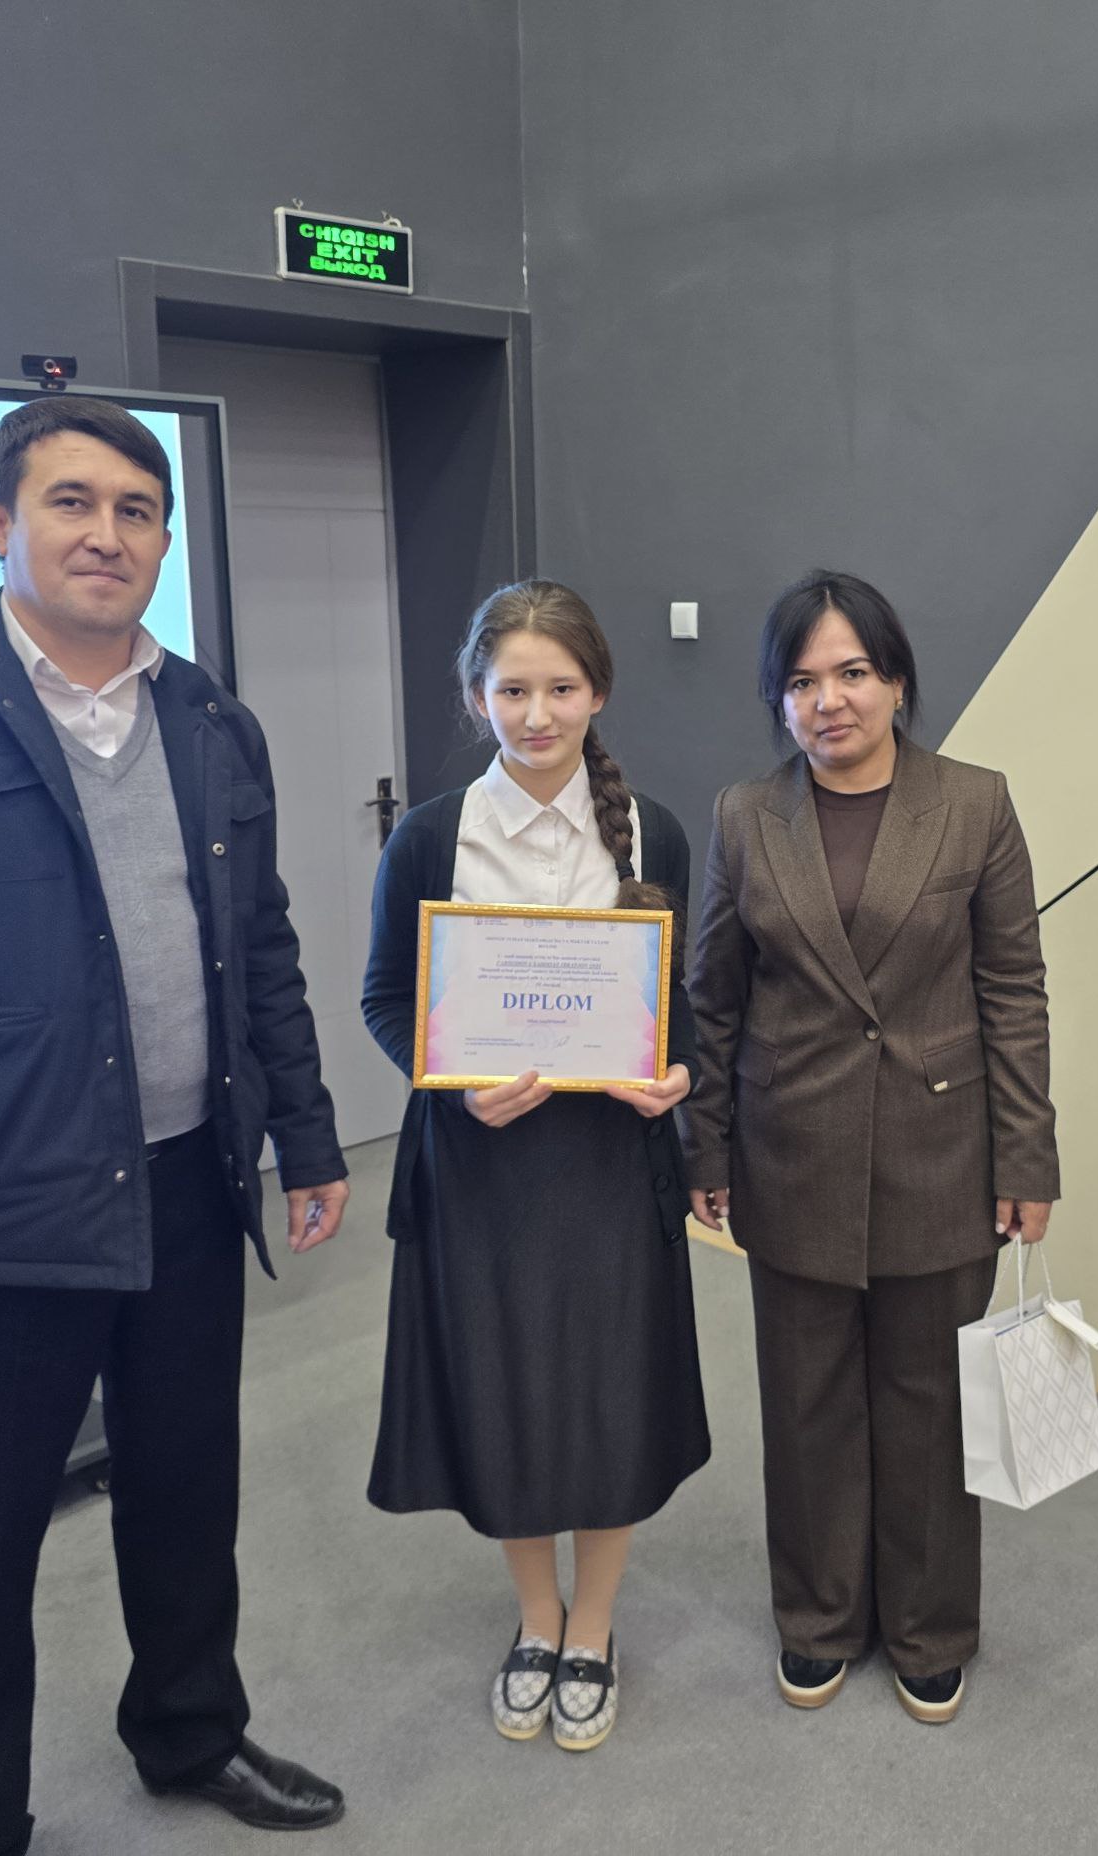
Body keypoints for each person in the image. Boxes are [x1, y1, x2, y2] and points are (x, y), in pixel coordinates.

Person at [0, 395, 352, 1853]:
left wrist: (306, 1134)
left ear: (164, 539)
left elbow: (261, 948)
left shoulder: (208, 718)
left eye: (136, 511)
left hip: (185, 1186)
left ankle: (189, 1732)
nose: (108, 535)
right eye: (71, 503)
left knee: (185, 1496)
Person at [682, 570, 1058, 1726]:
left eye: (851, 673)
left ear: (895, 681)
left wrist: (1026, 1156)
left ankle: (931, 1627)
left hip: (941, 1150)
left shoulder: (975, 803)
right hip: (789, 1146)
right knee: (805, 1406)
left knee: (928, 1403)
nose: (828, 701)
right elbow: (712, 998)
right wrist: (706, 1149)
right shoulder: (746, 816)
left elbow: (1013, 989)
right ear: (778, 700)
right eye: (801, 682)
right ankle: (818, 1618)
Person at [359, 580, 708, 1753]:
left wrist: (675, 1076)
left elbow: (675, 1007)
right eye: (512, 690)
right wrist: (451, 1082)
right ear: (476, 697)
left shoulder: (653, 831)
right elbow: (384, 999)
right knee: (502, 1391)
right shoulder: (429, 836)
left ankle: (593, 1627)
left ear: (597, 693)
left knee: (611, 1397)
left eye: (561, 688)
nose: (538, 714)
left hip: (612, 1163)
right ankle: (535, 1618)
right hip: (480, 1165)